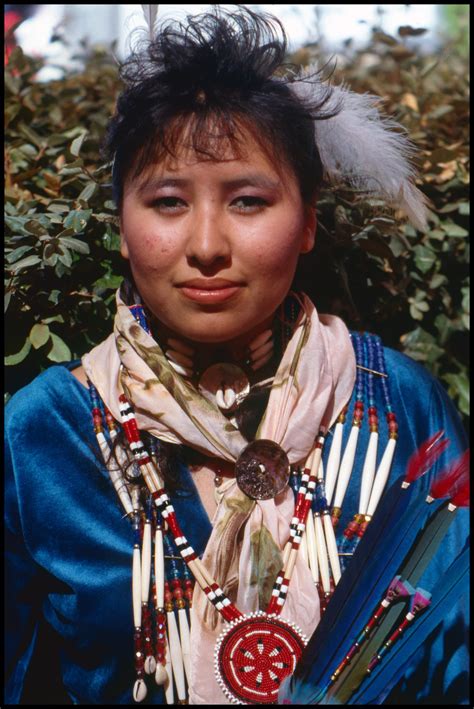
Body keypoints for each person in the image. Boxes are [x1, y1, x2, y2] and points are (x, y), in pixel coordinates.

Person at [5, 6, 468, 705]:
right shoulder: (46, 433)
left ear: (308, 220)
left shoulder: (401, 408)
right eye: (166, 202)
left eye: (249, 200)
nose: (208, 244)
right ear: (122, 228)